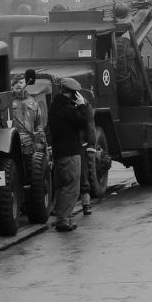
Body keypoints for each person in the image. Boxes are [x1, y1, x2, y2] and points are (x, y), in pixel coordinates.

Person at [48, 78, 92, 232]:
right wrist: (81, 106)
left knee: (62, 186)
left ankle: (64, 217)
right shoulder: (67, 108)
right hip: (70, 152)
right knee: (71, 187)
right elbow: (83, 122)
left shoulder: (55, 107)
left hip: (60, 152)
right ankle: (63, 220)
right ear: (73, 93)